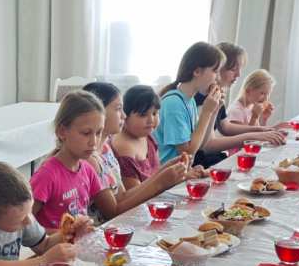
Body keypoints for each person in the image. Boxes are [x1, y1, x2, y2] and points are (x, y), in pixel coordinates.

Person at [31, 92, 187, 227]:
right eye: (86, 133)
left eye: (98, 133)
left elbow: (119, 200)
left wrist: (165, 171)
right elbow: (24, 225)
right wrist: (59, 235)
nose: (94, 142)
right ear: (62, 132)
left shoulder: (86, 169)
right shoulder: (47, 175)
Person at [84, 82, 188, 209]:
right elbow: (112, 212)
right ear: (98, 112)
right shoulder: (91, 160)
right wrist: (161, 182)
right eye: (118, 109)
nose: (124, 115)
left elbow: (122, 196)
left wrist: (166, 169)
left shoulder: (105, 149)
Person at [193, 43, 286, 168]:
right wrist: (255, 136)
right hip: (199, 161)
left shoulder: (216, 92)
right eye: (233, 69)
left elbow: (225, 126)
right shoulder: (203, 99)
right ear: (218, 68)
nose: (238, 75)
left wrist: (263, 130)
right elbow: (207, 145)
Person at [155, 41, 225, 166]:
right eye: (215, 71)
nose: (218, 78)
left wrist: (214, 111)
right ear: (197, 71)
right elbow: (187, 152)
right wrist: (206, 112)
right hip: (169, 173)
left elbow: (202, 145)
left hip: (184, 170)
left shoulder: (190, 100)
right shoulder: (174, 103)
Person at [110, 86, 186, 191]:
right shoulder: (124, 147)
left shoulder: (148, 137)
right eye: (143, 115)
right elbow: (135, 193)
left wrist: (183, 174)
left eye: (154, 113)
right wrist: (169, 180)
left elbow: (156, 173)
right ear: (125, 115)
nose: (151, 120)